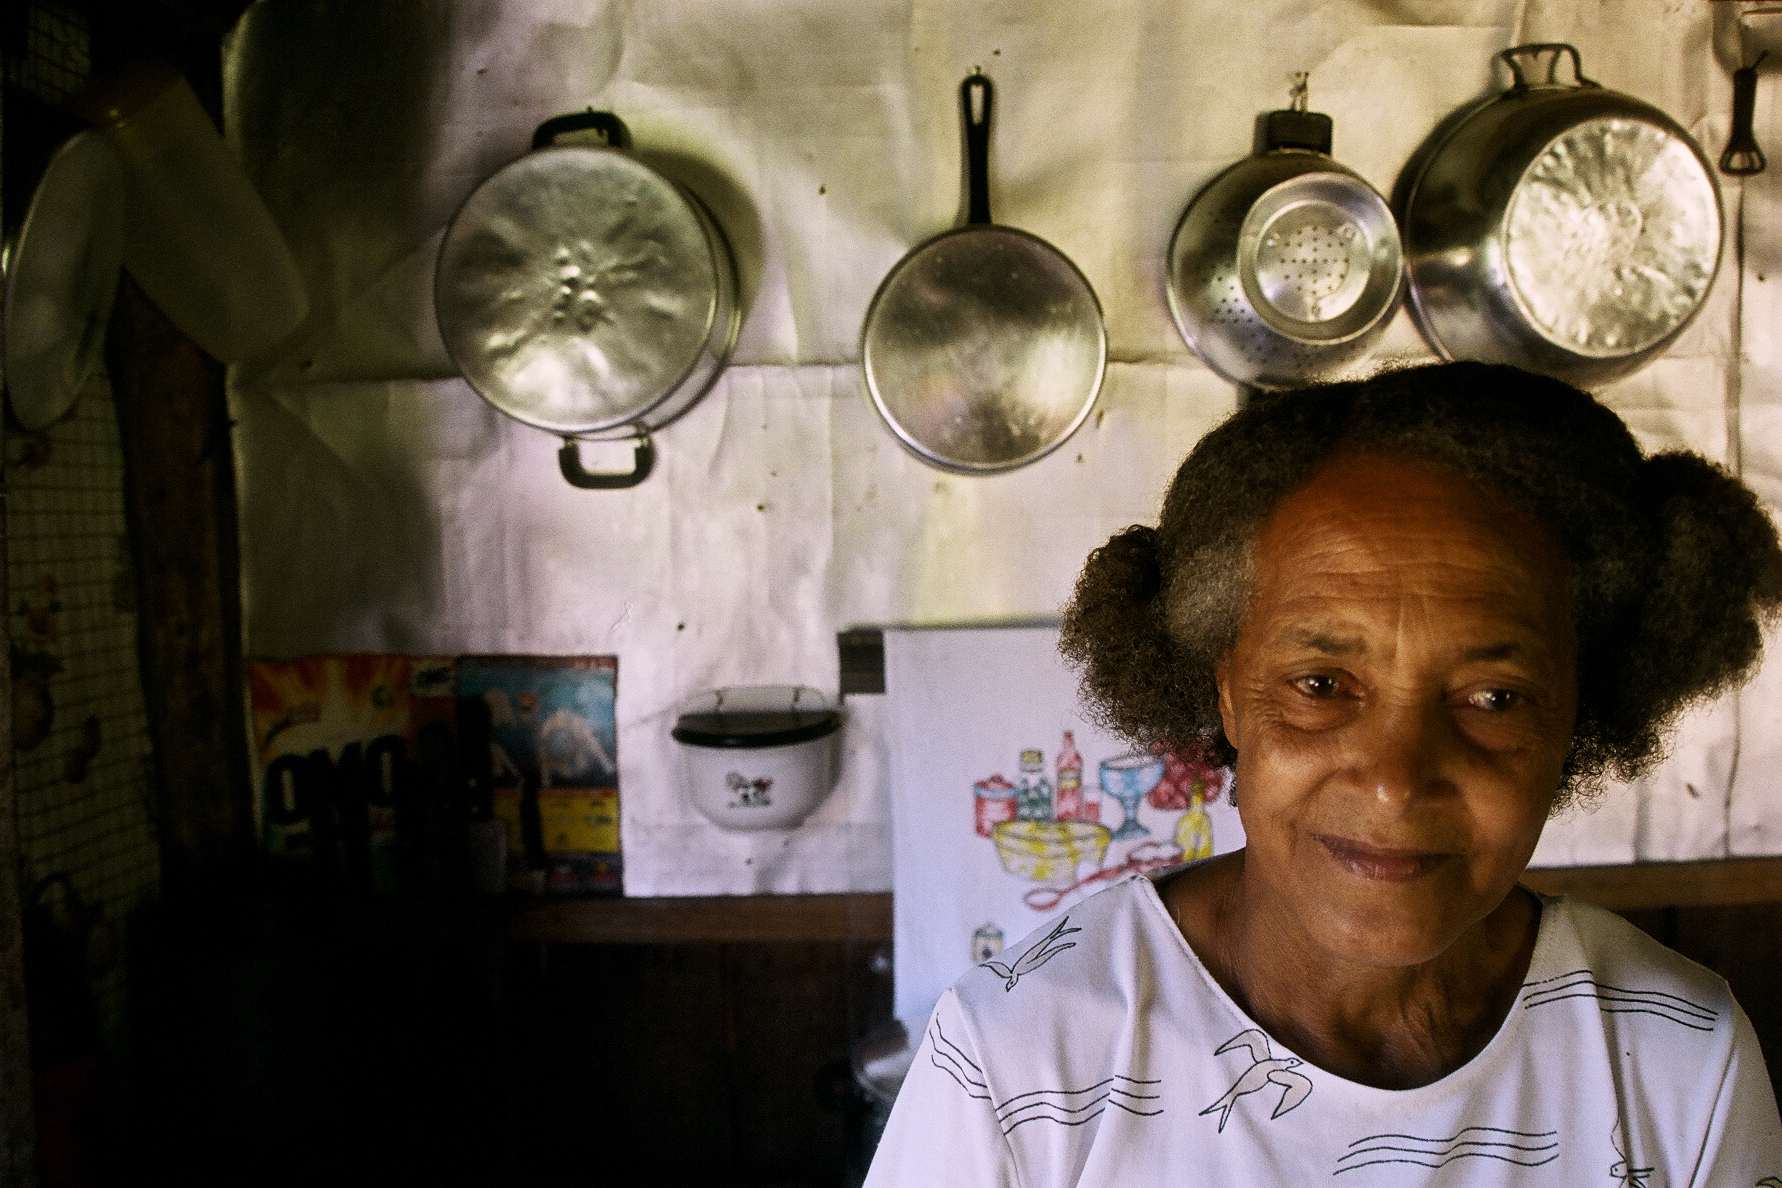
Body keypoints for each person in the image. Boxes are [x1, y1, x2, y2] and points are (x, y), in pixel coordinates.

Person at [863, 362, 1782, 1187]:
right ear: (1227, 692)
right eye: (1321, 685)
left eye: (1493, 698)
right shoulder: (1016, 1062)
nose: (1394, 782)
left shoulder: (1679, 1062)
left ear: (1578, 710)